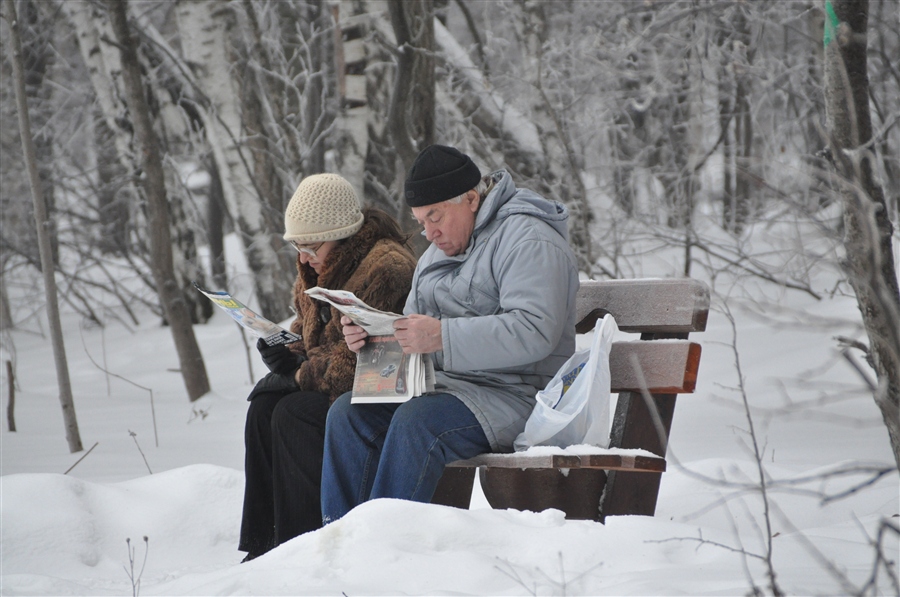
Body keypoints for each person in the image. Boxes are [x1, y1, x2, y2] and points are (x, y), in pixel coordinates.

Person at [320, 145, 580, 523]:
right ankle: (341, 543)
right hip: (449, 390)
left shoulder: (529, 239)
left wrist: (442, 336)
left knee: (418, 421)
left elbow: (534, 330)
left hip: (520, 395)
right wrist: (372, 337)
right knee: (348, 413)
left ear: (471, 199)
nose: (429, 232)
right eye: (421, 221)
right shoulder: (437, 254)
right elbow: (414, 330)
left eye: (435, 216)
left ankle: (384, 547)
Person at [239, 173, 416, 561]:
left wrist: (299, 374)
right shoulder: (317, 265)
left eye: (310, 245)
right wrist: (288, 351)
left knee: (293, 413)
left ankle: (301, 545)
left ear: (343, 233)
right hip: (337, 384)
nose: (303, 257)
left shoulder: (386, 269)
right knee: (262, 408)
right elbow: (311, 333)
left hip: (380, 391)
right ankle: (261, 545)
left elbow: (358, 363)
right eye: (297, 247)